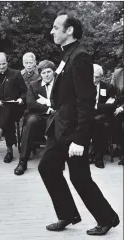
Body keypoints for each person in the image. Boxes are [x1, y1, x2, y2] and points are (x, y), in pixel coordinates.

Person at [38, 10, 119, 236]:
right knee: (47, 167)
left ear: (69, 30)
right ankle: (67, 214)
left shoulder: (80, 56)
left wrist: (80, 139)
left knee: (79, 177)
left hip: (74, 130)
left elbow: (85, 102)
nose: (51, 31)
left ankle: (107, 218)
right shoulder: (68, 54)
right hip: (60, 126)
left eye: (56, 27)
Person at [14, 60, 55, 175]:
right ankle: (23, 161)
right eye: (43, 73)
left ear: (53, 72)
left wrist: (46, 101)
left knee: (58, 121)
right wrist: (48, 108)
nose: (46, 75)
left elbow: (63, 101)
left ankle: (57, 159)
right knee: (31, 121)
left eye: (49, 72)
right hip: (39, 116)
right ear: (40, 74)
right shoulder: (33, 85)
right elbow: (31, 104)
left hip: (55, 115)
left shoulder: (59, 85)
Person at [0, 52, 27, 163]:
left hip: (15, 108)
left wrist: (21, 99)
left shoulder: (16, 74)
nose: (2, 66)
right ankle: (9, 150)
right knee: (6, 113)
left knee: (9, 107)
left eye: (4, 63)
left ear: (7, 63)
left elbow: (25, 92)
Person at [90, 64, 116, 168]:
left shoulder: (108, 87)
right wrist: (103, 105)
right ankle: (95, 155)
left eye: (97, 77)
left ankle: (97, 156)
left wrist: (96, 106)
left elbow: (112, 106)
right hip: (87, 116)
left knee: (100, 123)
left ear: (101, 76)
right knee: (96, 123)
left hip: (103, 117)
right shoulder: (83, 87)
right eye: (92, 76)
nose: (94, 79)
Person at [111, 67, 124, 165]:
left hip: (122, 108)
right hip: (119, 105)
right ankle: (118, 147)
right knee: (115, 120)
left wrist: (121, 108)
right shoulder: (118, 73)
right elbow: (111, 90)